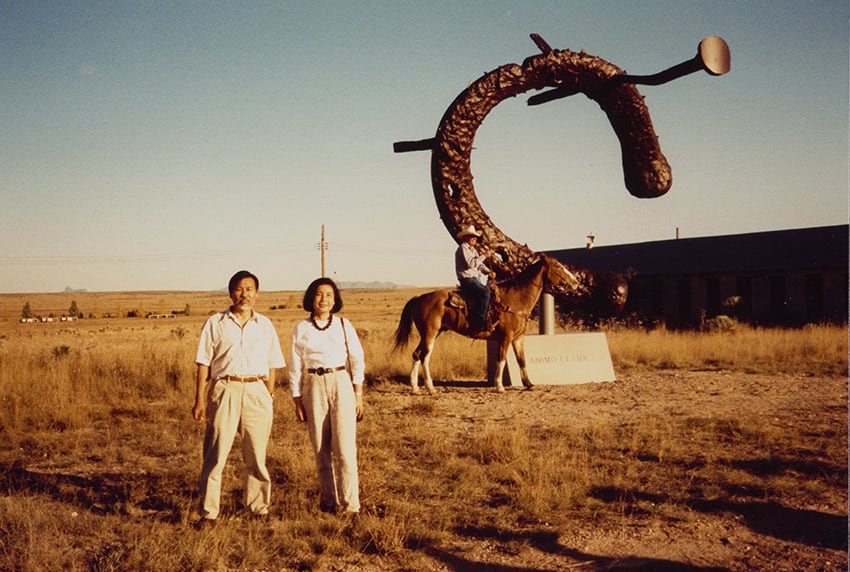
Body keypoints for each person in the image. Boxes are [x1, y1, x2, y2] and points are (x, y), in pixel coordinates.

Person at [192, 270, 285, 527]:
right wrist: (200, 399)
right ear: (231, 292)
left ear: (257, 293)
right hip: (225, 389)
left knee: (256, 453)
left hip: (257, 390)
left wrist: (269, 392)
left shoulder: (265, 325)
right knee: (216, 454)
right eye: (239, 289)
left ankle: (258, 509)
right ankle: (208, 513)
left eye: (250, 288)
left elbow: (273, 362)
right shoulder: (215, 323)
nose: (244, 294)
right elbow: (203, 363)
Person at [289, 277, 365, 516]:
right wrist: (297, 398)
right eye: (320, 294)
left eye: (329, 295)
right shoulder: (301, 328)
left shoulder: (344, 325)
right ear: (312, 297)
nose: (324, 299)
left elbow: (357, 358)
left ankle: (351, 505)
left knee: (344, 448)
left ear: (335, 300)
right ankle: (329, 502)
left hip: (340, 382)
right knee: (320, 448)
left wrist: (358, 393)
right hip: (313, 385)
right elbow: (294, 365)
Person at [455, 224, 494, 333]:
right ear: (465, 237)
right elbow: (471, 264)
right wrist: (485, 256)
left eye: (475, 236)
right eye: (472, 236)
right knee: (485, 292)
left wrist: (488, 272)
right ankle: (479, 322)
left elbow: (479, 265)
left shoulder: (473, 250)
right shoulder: (463, 248)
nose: (475, 238)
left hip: (474, 279)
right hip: (467, 280)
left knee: (491, 291)